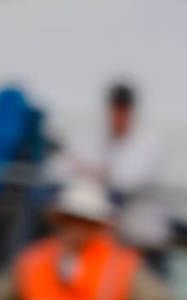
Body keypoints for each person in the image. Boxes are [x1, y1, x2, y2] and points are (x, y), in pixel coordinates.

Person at [0, 180, 183, 300]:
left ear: (98, 225)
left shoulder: (122, 267)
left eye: (84, 221)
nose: (75, 228)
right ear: (58, 220)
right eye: (69, 220)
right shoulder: (34, 260)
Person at [61, 81, 166, 252]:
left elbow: (127, 181)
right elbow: (64, 167)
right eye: (115, 109)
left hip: (142, 240)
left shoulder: (149, 142)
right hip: (104, 239)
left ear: (131, 111)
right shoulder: (93, 136)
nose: (118, 116)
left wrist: (93, 172)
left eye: (123, 110)